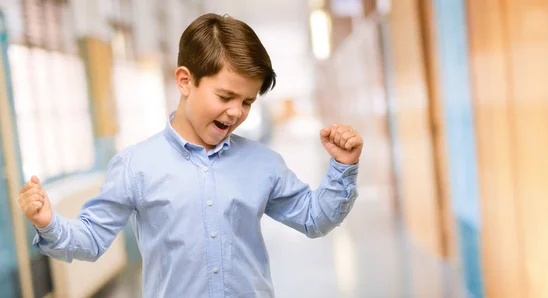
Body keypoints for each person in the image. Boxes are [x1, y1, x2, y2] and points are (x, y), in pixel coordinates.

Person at [18, 13, 362, 298]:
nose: (235, 112)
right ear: (185, 80)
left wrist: (342, 169)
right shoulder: (135, 166)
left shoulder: (263, 164)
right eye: (225, 96)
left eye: (247, 101)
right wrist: (49, 222)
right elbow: (91, 240)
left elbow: (315, 219)